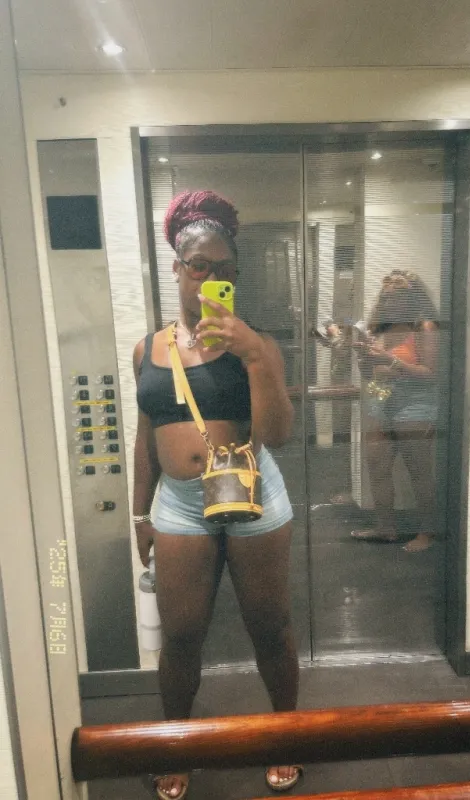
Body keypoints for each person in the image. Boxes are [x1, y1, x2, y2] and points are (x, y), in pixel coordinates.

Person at [133, 191, 301, 799]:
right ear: (177, 267)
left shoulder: (257, 344)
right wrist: (139, 512)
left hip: (255, 492)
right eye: (198, 266)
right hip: (180, 504)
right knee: (180, 636)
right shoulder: (147, 349)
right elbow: (146, 435)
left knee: (269, 626)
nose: (208, 279)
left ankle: (287, 738)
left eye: (222, 269)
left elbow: (277, 434)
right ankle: (178, 745)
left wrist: (253, 356)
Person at [351, 270, 439, 553]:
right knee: (377, 465)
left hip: (415, 404)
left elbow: (432, 373)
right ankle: (385, 528)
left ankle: (426, 533)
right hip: (382, 401)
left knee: (419, 471)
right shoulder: (381, 328)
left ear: (413, 297)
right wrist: (363, 357)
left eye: (397, 296)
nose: (390, 302)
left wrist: (391, 361)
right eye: (386, 297)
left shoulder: (424, 327)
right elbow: (369, 373)